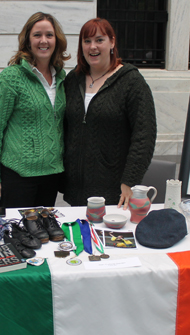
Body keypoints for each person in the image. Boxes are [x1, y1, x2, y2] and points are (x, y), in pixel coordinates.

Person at [63, 18, 157, 209]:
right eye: (87, 41)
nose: (93, 47)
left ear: (112, 42)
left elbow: (144, 135)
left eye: (99, 40)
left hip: (114, 191)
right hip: (75, 190)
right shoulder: (73, 80)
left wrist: (129, 181)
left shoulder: (131, 82)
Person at [0, 12, 70, 208]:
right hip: (18, 175)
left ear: (57, 40)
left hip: (51, 174)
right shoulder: (11, 78)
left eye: (49, 35)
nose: (43, 41)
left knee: (43, 234)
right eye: (37, 35)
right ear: (27, 41)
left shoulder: (62, 78)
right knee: (18, 234)